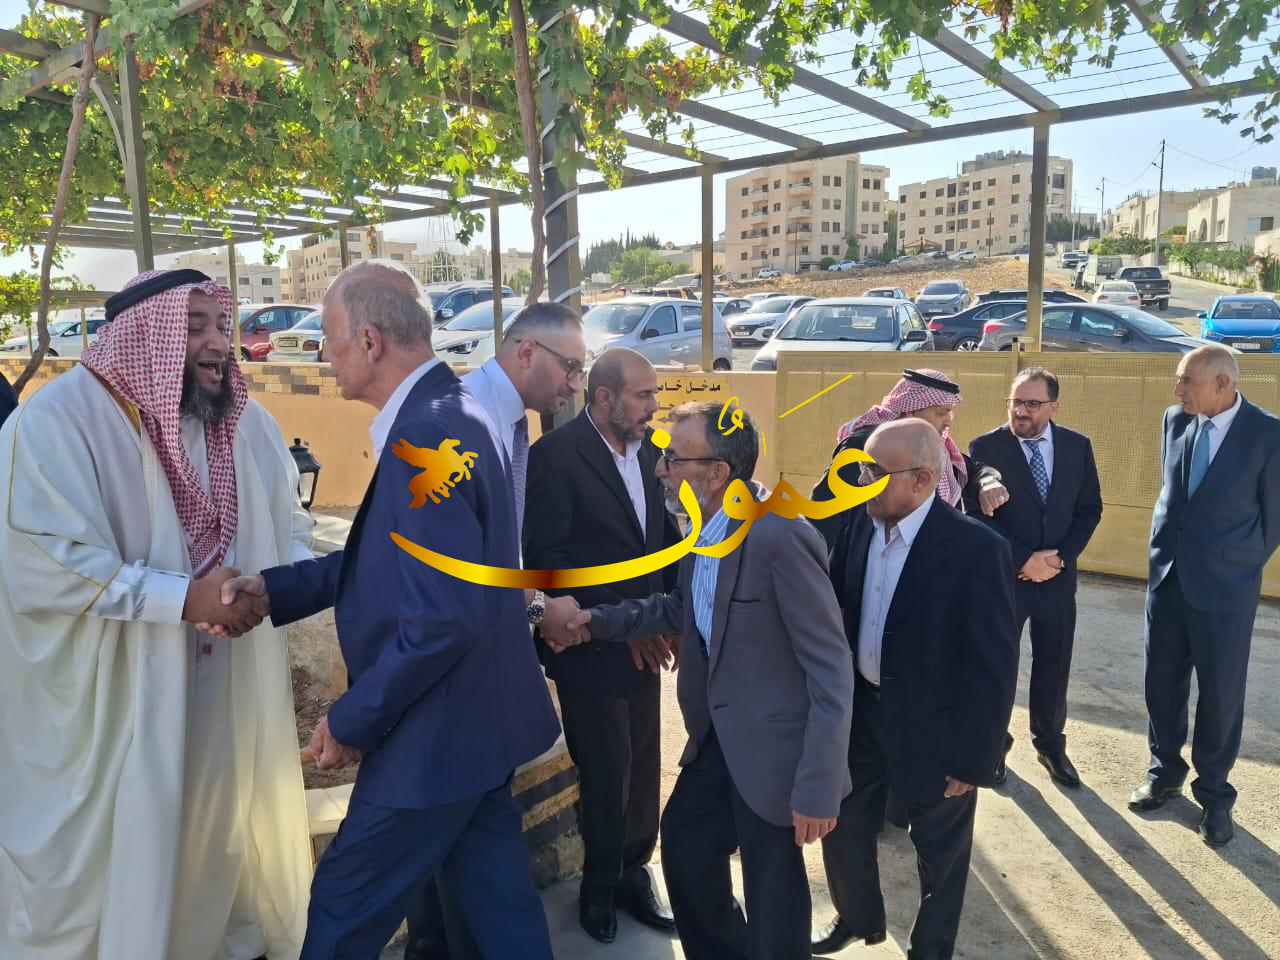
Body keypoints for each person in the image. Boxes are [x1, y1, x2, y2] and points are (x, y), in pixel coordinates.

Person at [221, 261, 561, 957]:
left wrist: (352, 719)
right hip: (477, 729)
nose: (324, 352)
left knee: (342, 910)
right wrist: (277, 589)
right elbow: (393, 565)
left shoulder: (425, 435)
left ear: (370, 341)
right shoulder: (453, 411)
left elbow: (442, 620)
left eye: (330, 336)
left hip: (434, 741)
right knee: (504, 917)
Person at [0, 269, 314, 960]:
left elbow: (289, 524)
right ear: (144, 337)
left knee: (210, 831)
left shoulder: (246, 424)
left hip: (219, 685)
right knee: (114, 855)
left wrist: (270, 587)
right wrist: (184, 599)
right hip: (113, 699)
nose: (217, 344)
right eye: (192, 328)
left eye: (220, 326)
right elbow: (44, 559)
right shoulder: (57, 424)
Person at [554, 401, 854, 960]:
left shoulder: (780, 536)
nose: (660, 469)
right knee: (688, 848)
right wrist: (595, 620)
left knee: (773, 895)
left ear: (717, 473)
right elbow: (681, 607)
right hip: (718, 738)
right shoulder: (703, 530)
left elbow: (830, 664)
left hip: (774, 750)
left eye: (673, 459)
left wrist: (819, 786)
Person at [404, 300, 587, 960]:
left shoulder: (508, 422)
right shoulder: (459, 421)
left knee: (470, 847)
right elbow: (457, 576)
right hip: (451, 669)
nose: (574, 385)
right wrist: (539, 612)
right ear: (526, 352)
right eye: (570, 368)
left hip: (484, 665)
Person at [814, 419, 1019, 959]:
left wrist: (975, 758)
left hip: (937, 731)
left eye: (873, 472)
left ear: (923, 479)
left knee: (940, 853)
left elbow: (994, 665)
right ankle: (858, 918)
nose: (861, 481)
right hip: (861, 717)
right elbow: (836, 610)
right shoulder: (859, 525)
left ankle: (931, 949)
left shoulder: (977, 549)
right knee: (842, 828)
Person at [522, 347, 682, 942]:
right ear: (605, 397)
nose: (654, 406)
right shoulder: (555, 457)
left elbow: (662, 540)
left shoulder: (654, 452)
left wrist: (665, 614)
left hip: (644, 638)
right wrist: (621, 623)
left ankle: (633, 875)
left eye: (655, 393)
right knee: (606, 772)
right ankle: (598, 890)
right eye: (644, 395)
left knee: (642, 770)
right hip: (588, 645)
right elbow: (550, 562)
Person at [1130, 344, 1280, 846]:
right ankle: (1164, 771)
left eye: (1186, 381)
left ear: (1222, 383)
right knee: (1161, 683)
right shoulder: (1175, 420)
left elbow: (1273, 520)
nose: (1178, 390)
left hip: (1225, 590)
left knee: (1220, 694)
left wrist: (1236, 566)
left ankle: (1215, 795)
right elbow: (1174, 496)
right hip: (1168, 579)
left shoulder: (1268, 435)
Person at [969, 367, 1103, 788]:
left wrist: (1060, 558)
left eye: (1032, 403)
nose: (1021, 411)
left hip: (1058, 580)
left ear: (1054, 406)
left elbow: (1090, 510)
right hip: (1006, 581)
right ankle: (993, 744)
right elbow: (976, 517)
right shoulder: (985, 448)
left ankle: (1050, 745)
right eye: (1015, 402)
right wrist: (1023, 559)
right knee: (998, 667)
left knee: (1054, 665)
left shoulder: (1077, 447)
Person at [810, 368, 1008, 548]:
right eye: (941, 413)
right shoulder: (866, 444)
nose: (948, 421)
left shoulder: (935, 446)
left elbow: (972, 469)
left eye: (950, 412)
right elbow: (825, 513)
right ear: (912, 411)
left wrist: (987, 482)